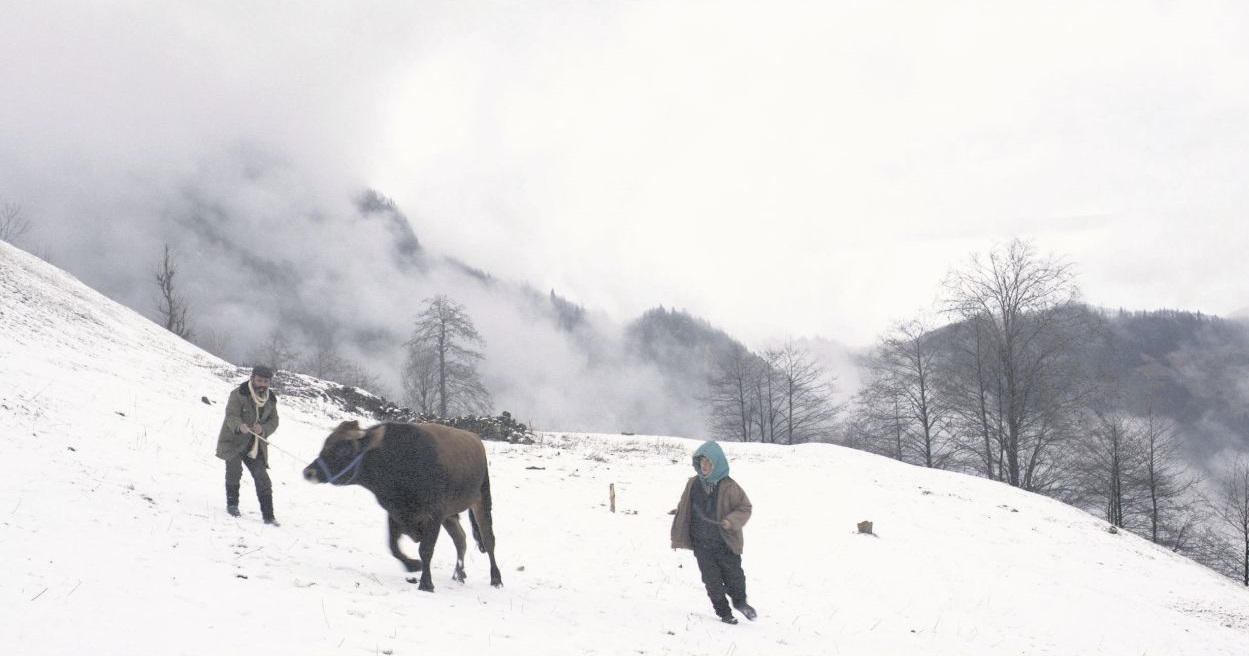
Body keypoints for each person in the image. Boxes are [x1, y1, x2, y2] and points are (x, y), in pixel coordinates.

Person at [670, 440, 757, 624]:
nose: (705, 467)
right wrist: (679, 518)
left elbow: (745, 507)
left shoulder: (730, 487)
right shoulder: (693, 484)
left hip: (725, 543)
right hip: (701, 543)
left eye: (709, 463)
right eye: (702, 463)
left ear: (718, 464)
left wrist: (730, 521)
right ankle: (724, 613)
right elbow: (684, 504)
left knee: (735, 577)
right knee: (712, 581)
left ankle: (740, 603)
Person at [215, 365, 281, 525]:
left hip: (255, 445)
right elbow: (231, 414)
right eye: (259, 380)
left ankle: (269, 516)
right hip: (233, 441)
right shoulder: (238, 394)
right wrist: (239, 426)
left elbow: (274, 421)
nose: (262, 384)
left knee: (263, 478)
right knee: (234, 472)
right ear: (252, 379)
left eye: (266, 381)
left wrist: (263, 429)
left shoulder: (270, 399)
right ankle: (232, 505)